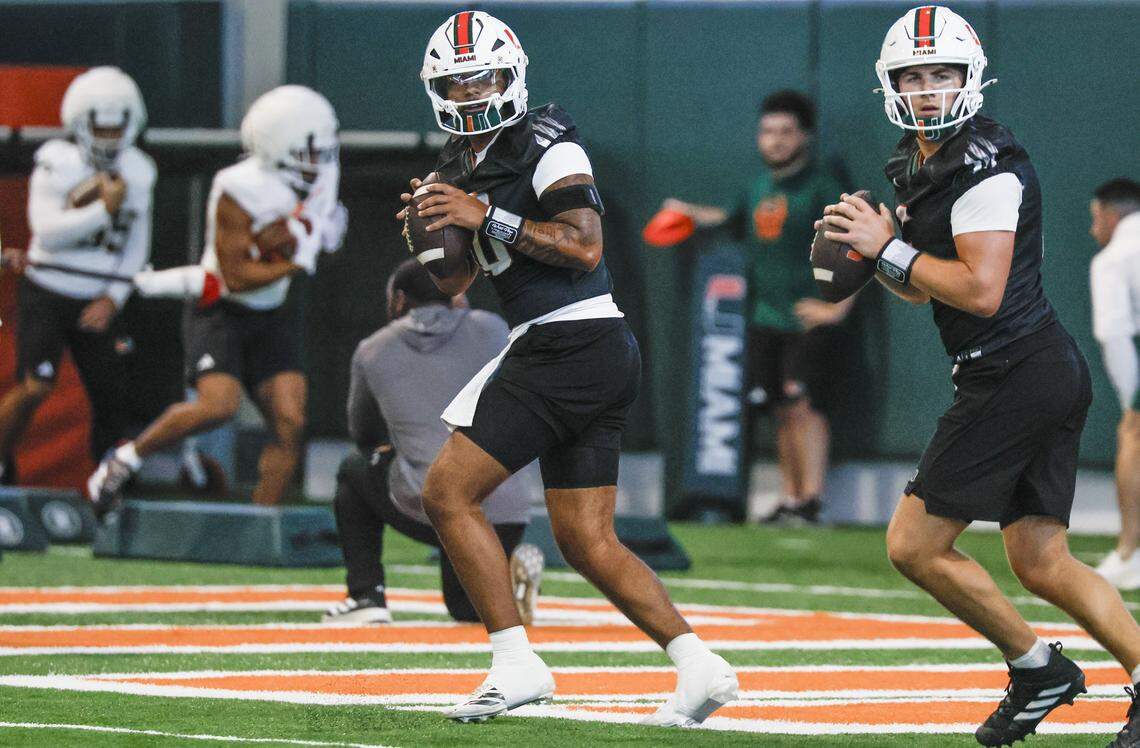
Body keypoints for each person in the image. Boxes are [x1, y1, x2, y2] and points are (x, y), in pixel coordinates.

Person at [397, 10, 737, 725]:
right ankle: (698, 665)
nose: (468, 93)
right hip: (581, 349)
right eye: (455, 83)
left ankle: (515, 664)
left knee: (447, 494)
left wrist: (481, 212)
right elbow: (457, 283)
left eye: (480, 77)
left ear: (510, 74)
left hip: (570, 340)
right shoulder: (458, 166)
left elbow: (582, 246)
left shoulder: (550, 144)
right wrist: (432, 233)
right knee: (587, 538)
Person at [819, 7, 1140, 746]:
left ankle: (1036, 669)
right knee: (1042, 559)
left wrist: (890, 250)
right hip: (1031, 368)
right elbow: (924, 285)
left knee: (913, 545)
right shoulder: (914, 160)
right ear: (891, 83)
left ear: (969, 78)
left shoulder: (986, 164)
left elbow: (982, 289)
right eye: (914, 75)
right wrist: (877, 258)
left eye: (941, 74)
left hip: (1017, 370)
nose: (928, 89)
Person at [87, 85, 348, 514]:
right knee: (217, 406)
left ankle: (261, 524)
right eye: (309, 151)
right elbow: (237, 276)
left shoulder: (320, 176)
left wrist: (317, 238)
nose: (320, 162)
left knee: (291, 422)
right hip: (223, 310)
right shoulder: (238, 187)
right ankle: (125, 458)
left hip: (270, 313)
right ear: (278, 147)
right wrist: (300, 259)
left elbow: (320, 234)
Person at [663, 90, 849, 524]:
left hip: (809, 315)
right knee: (780, 409)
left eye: (786, 132)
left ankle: (812, 499)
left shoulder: (823, 186)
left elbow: (859, 248)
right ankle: (790, 498)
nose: (776, 140)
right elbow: (727, 220)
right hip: (765, 316)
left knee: (803, 403)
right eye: (768, 131)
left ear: (804, 136)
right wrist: (685, 212)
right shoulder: (757, 187)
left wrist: (837, 309)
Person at [326, 258, 542, 625]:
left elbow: (363, 433)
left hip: (434, 504)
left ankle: (366, 594)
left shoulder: (373, 349)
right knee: (467, 610)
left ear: (398, 300)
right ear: (457, 295)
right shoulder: (492, 328)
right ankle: (506, 576)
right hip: (508, 504)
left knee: (353, 469)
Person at [0, 66, 154, 485]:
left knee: (112, 399)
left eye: (115, 129)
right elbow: (47, 231)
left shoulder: (139, 171)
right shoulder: (56, 161)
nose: (107, 139)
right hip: (49, 290)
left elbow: (136, 245)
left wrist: (113, 299)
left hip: (97, 298)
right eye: (99, 129)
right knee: (36, 386)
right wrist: (102, 209)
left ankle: (110, 487)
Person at [1089, 178, 1140, 591]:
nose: (1092, 231)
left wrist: (1130, 402)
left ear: (1107, 214)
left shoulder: (1114, 257)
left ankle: (1129, 552)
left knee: (1132, 435)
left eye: (1094, 219)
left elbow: (1114, 331)